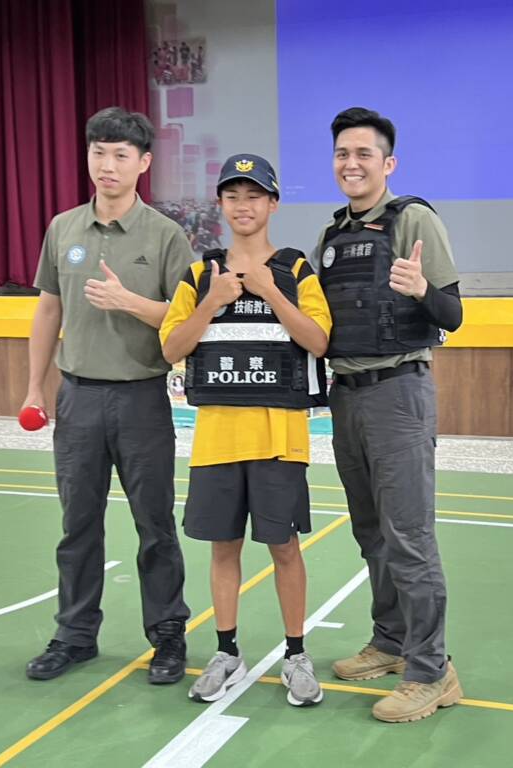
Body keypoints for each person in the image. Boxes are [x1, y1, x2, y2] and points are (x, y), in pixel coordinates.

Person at [22, 107, 191, 684]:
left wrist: (129, 303)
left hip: (142, 399)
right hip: (78, 399)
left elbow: (187, 320)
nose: (108, 165)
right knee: (78, 524)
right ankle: (74, 635)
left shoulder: (165, 235)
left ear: (144, 163)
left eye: (121, 154)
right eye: (99, 152)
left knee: (155, 525)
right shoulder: (63, 228)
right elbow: (48, 310)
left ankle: (167, 636)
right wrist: (35, 386)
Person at [160, 154, 331, 707]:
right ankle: (226, 652)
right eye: (233, 196)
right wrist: (212, 302)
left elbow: (319, 340)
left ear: (272, 204)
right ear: (221, 205)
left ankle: (296, 654)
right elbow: (171, 346)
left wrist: (270, 291)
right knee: (223, 548)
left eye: (254, 195)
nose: (243, 205)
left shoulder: (297, 270)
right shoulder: (199, 275)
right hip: (217, 439)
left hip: (280, 439)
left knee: (285, 548)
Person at [312, 107, 465, 722]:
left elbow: (453, 314)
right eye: (342, 154)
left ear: (388, 163)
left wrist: (421, 289)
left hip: (398, 393)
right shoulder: (332, 236)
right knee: (371, 532)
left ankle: (433, 671)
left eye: (364, 154)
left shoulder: (414, 219)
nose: (351, 164)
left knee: (408, 536)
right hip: (346, 395)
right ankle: (391, 640)